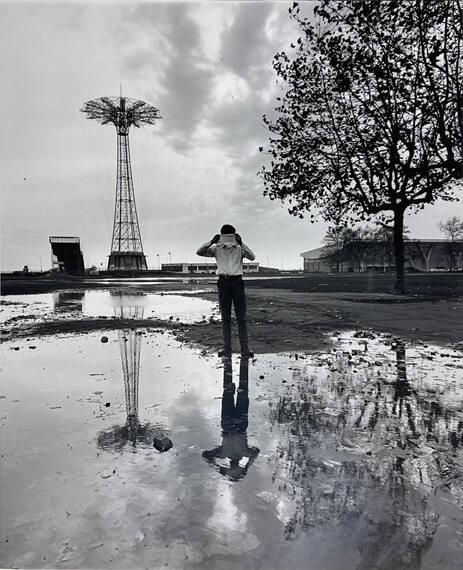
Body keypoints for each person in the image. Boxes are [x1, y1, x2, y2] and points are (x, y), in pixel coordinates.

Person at [196, 224, 255, 358]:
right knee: (235, 318)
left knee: (235, 318)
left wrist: (242, 243)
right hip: (227, 282)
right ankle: (234, 349)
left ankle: (240, 349)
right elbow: (199, 252)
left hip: (232, 281)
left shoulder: (239, 248)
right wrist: (212, 242)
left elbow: (252, 257)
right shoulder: (217, 248)